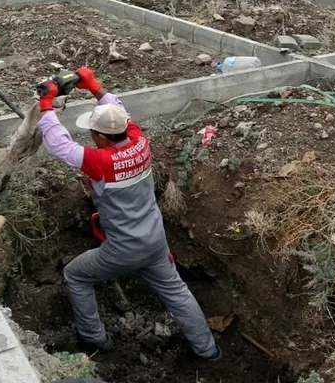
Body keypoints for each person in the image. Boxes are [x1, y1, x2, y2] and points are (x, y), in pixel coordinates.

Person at [37, 68, 221, 360]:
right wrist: (95, 87)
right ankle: (209, 351)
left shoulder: (100, 161)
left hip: (122, 250)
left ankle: (95, 339)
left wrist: (46, 105)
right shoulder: (139, 141)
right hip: (155, 241)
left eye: (93, 134)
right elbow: (119, 111)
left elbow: (60, 145)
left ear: (101, 137)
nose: (92, 138)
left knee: (75, 276)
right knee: (177, 293)